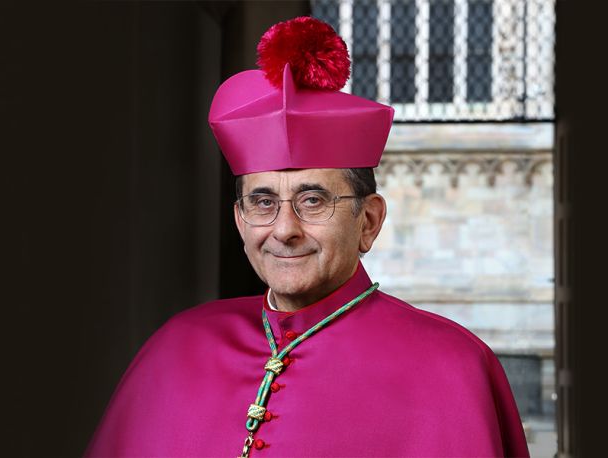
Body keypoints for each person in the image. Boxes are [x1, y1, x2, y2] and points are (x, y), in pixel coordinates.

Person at [86, 17, 529, 458]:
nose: (284, 230)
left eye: (313, 200)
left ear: (368, 221)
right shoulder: (176, 348)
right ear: (239, 220)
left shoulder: (451, 367)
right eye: (263, 202)